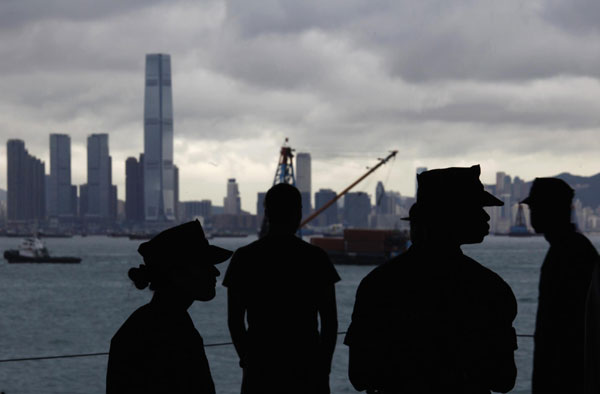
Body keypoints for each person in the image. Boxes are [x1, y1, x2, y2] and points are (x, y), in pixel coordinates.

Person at [345, 165, 518, 394]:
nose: (486, 215)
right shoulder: (490, 289)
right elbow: (503, 380)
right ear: (450, 216)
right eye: (475, 208)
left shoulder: (377, 285)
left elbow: (359, 376)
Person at [223, 183, 340, 394]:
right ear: (298, 214)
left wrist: (247, 359)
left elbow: (235, 321)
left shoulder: (244, 258)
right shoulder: (316, 258)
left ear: (266, 213)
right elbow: (330, 322)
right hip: (308, 369)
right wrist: (324, 367)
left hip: (260, 370)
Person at [106, 220, 233, 394]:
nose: (215, 271)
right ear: (177, 273)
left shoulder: (149, 324)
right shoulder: (171, 331)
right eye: (204, 264)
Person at [522, 178, 599, 394]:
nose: (532, 213)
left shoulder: (568, 253)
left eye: (535, 207)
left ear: (551, 209)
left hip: (566, 377)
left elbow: (565, 326)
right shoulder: (574, 248)